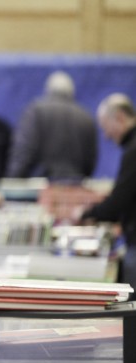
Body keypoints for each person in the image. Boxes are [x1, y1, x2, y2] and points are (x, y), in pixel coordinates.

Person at [80, 93, 136, 288]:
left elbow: (119, 200)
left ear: (120, 117)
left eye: (106, 127)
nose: (106, 135)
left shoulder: (133, 150)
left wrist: (87, 214)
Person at [6, 71, 98, 180]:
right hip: (75, 186)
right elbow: (90, 160)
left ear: (48, 90)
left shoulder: (36, 112)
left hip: (42, 187)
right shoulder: (85, 116)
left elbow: (24, 151)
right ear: (72, 92)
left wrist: (14, 179)